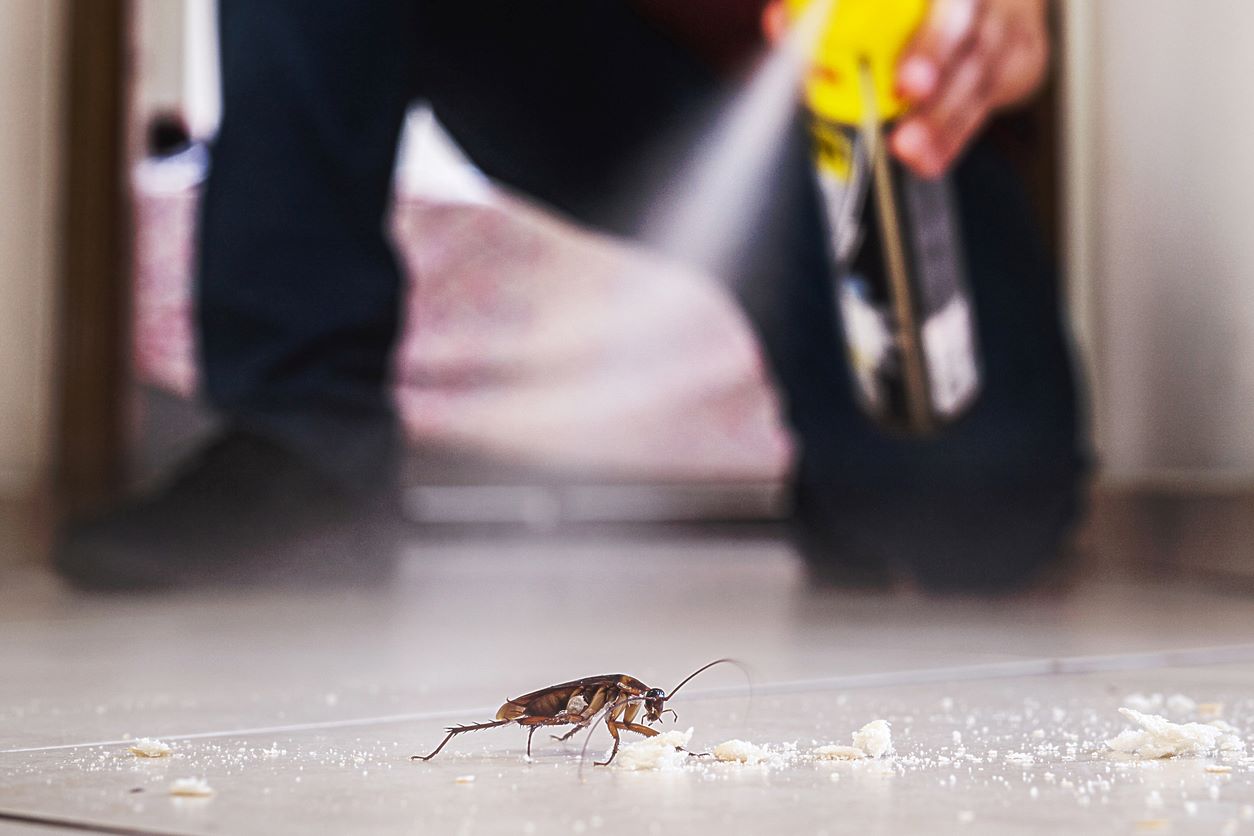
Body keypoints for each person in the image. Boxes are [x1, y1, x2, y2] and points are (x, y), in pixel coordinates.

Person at [57, 0, 1086, 592]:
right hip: (554, 37)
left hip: (837, 90)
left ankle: (855, 451)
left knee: (975, 509)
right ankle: (301, 436)